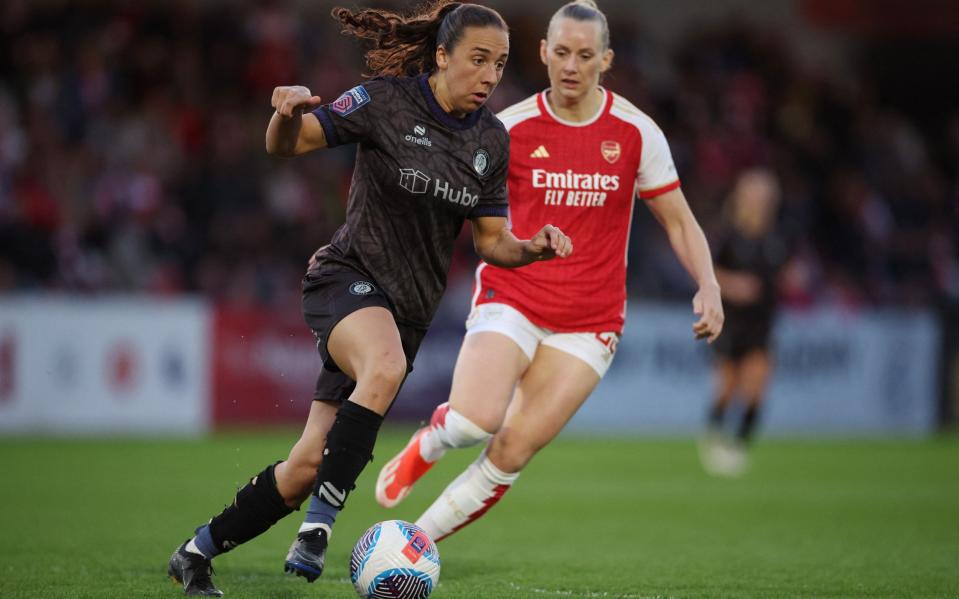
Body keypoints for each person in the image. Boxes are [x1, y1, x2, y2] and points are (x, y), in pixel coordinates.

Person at [166, 2, 574, 596]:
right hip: (345, 279)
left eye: (500, 64)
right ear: (442, 55)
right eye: (478, 59)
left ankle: (195, 552)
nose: (490, 75)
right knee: (382, 366)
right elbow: (289, 143)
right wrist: (284, 113)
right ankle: (318, 529)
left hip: (406, 315)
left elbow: (491, 242)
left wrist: (531, 248)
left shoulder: (491, 140)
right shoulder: (386, 101)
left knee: (306, 466)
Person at [374, 0, 724, 543]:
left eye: (585, 55)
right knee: (474, 422)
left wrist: (709, 285)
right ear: (543, 53)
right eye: (561, 52)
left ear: (605, 59)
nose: (571, 65)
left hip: (591, 320)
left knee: (511, 449)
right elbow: (444, 201)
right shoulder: (507, 128)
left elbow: (679, 221)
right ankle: (431, 443)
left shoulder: (636, 133)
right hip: (512, 295)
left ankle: (412, 544)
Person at [699, 168, 786, 477]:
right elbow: (707, 271)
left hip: (762, 322)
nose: (759, 201)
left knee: (757, 387)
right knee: (727, 386)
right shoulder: (727, 234)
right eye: (754, 194)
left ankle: (738, 447)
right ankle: (712, 438)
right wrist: (734, 285)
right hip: (730, 320)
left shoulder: (778, 236)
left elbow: (783, 274)